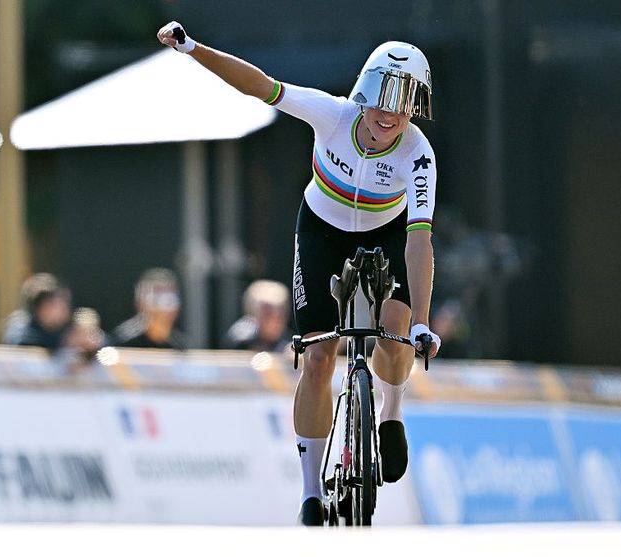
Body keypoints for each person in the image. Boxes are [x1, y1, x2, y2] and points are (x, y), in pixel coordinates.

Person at [158, 22, 442, 526]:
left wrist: (420, 321)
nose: (386, 116)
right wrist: (192, 49)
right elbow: (258, 84)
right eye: (378, 99)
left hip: (388, 233)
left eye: (399, 106)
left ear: (413, 109)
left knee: (397, 339)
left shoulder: (417, 155)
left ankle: (390, 412)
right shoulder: (331, 114)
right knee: (316, 358)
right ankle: (311, 493)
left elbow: (419, 240)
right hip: (322, 230)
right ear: (361, 94)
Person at [112, 268, 186, 349]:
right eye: (156, 299)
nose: (164, 308)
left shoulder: (182, 346)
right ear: (140, 303)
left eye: (170, 299)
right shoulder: (122, 341)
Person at [223, 279, 291, 352]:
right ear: (253, 314)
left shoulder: (288, 341)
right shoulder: (242, 338)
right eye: (267, 314)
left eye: (280, 315)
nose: (274, 322)